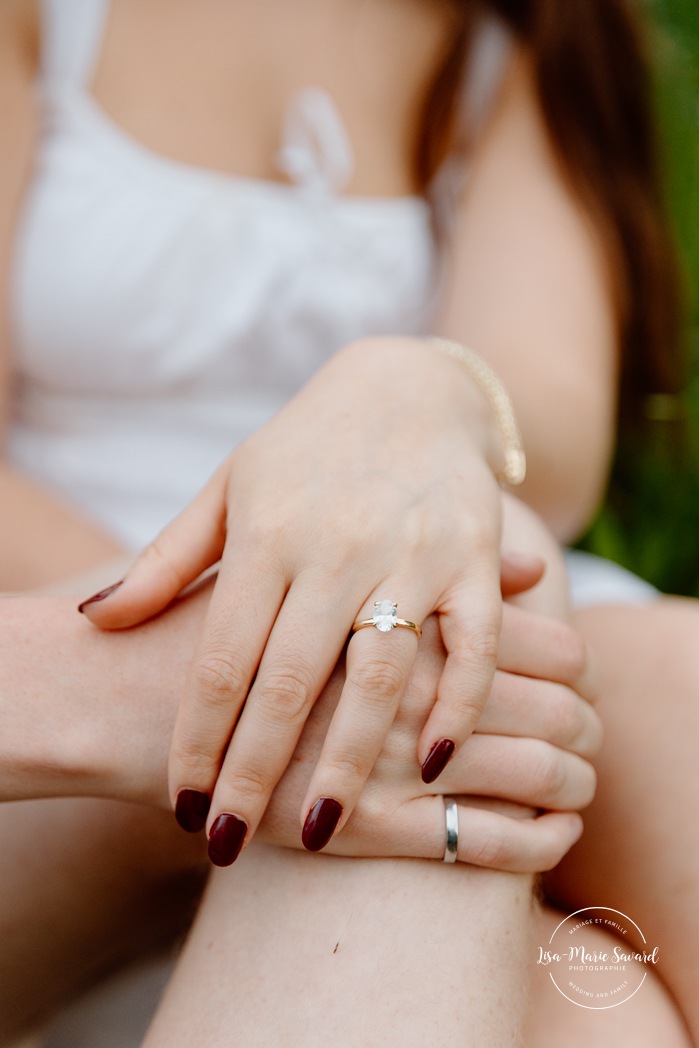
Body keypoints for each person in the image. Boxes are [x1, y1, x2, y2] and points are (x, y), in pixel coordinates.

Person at [0, 0, 694, 1043]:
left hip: (421, 580)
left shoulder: (508, 36)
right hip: (79, 613)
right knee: (440, 669)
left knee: (666, 683)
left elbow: (551, 430)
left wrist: (417, 394)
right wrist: (261, 628)